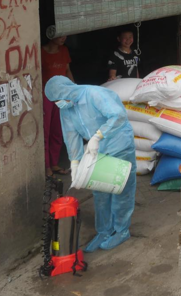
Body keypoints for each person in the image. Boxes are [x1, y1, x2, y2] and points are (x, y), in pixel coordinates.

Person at [45, 76, 136, 251]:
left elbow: (118, 116)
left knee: (120, 189)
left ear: (67, 90)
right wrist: (75, 162)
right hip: (97, 152)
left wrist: (97, 136)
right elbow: (70, 136)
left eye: (58, 99)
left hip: (119, 144)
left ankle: (121, 230)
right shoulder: (67, 108)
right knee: (100, 192)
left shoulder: (94, 94)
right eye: (54, 101)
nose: (58, 104)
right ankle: (104, 230)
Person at [42, 34, 73, 178]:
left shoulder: (64, 50)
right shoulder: (41, 52)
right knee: (45, 132)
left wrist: (73, 89)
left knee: (58, 130)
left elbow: (67, 70)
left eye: (64, 35)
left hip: (61, 94)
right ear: (50, 35)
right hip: (46, 96)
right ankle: (46, 166)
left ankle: (54, 163)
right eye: (59, 35)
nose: (63, 37)